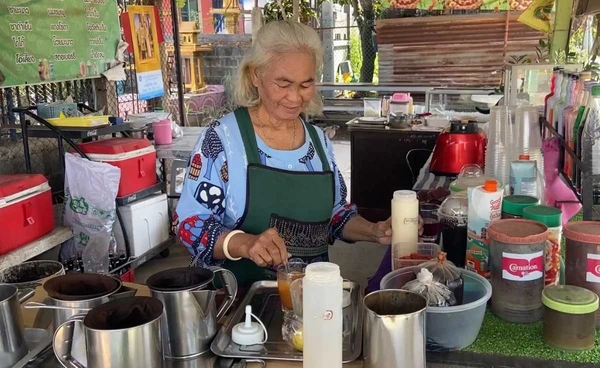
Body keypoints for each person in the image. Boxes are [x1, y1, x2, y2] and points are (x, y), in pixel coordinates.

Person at [176, 21, 413, 287]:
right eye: (283, 83)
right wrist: (246, 243)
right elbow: (190, 225)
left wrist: (373, 230)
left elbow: (335, 214)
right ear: (256, 75)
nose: (294, 97)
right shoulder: (222, 139)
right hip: (236, 302)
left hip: (309, 298)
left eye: (305, 84)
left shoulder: (318, 142)